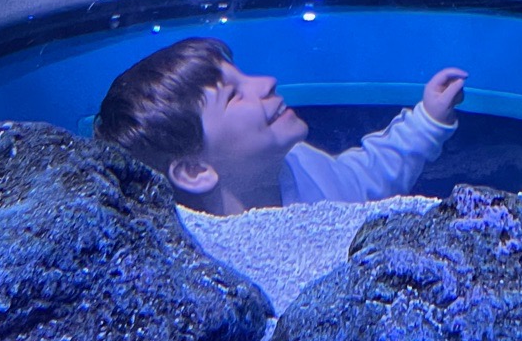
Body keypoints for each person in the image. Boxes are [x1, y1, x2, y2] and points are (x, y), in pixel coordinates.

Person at [94, 37, 466, 215]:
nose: (267, 82)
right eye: (234, 95)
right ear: (194, 170)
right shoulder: (203, 267)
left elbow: (363, 179)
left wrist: (426, 121)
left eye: (244, 76)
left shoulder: (297, 161)